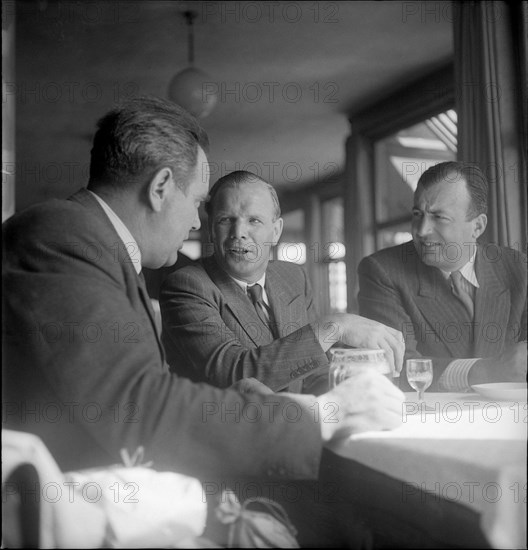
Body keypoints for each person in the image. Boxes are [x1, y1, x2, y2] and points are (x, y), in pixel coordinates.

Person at [3, 96, 405, 546]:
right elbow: (138, 406)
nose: (198, 222)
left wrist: (238, 398)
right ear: (160, 188)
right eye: (199, 202)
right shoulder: (62, 236)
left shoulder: (98, 245)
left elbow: (118, 391)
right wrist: (328, 414)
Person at [160, 170, 405, 394]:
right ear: (212, 230)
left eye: (253, 220)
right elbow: (235, 374)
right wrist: (334, 326)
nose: (239, 232)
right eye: (226, 220)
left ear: (276, 231)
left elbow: (314, 373)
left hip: (297, 428)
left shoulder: (293, 277)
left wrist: (354, 392)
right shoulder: (186, 285)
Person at [358, 161, 527, 391]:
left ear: (477, 226)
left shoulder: (518, 268)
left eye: (439, 217)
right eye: (417, 214)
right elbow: (396, 370)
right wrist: (488, 371)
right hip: (428, 422)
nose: (421, 230)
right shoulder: (381, 271)